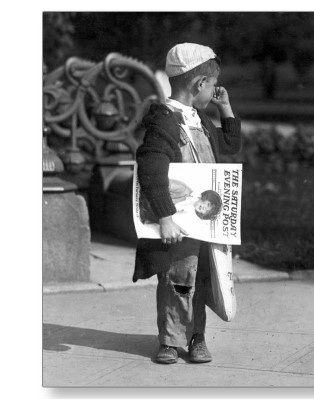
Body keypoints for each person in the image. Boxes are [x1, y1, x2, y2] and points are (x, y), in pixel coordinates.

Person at [133, 43, 241, 364]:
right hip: (178, 225)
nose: (214, 91)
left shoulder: (200, 119)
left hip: (205, 222)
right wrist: (165, 217)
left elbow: (231, 147)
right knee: (177, 280)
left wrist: (225, 110)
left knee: (204, 281)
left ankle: (197, 337)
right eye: (212, 85)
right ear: (200, 85)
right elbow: (152, 170)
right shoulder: (164, 121)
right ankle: (169, 340)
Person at [139, 179, 223, 224]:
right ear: (204, 196)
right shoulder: (183, 189)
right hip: (140, 200)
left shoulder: (186, 211)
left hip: (143, 216)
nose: (204, 208)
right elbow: (156, 185)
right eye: (208, 204)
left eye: (206, 211)